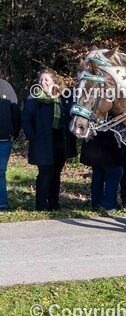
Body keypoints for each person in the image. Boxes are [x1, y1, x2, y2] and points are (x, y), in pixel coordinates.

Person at [22, 70, 77, 211]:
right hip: (42, 142)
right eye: (41, 80)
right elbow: (26, 121)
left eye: (46, 80)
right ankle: (40, 205)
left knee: (56, 173)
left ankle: (54, 204)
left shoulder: (64, 97)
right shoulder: (33, 99)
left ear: (54, 81)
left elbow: (72, 116)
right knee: (45, 174)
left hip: (61, 141)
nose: (43, 83)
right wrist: (33, 138)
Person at [80, 130, 124, 215]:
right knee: (114, 173)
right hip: (109, 148)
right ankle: (109, 206)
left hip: (94, 149)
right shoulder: (109, 118)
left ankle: (96, 204)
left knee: (98, 175)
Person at [0, 76, 20, 211]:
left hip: (3, 140)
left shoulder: (6, 87)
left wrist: (15, 132)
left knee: (0, 172)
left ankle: (2, 204)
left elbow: (15, 112)